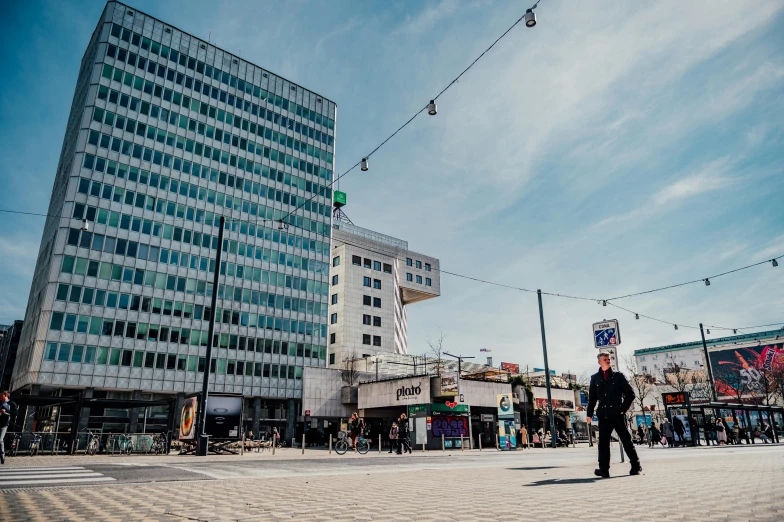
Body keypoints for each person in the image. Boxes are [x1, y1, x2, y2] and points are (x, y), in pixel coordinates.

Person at [586, 352, 641, 478]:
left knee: (626, 440)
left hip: (617, 414)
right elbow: (592, 398)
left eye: (609, 359)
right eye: (605, 359)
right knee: (603, 443)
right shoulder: (595, 378)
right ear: (599, 362)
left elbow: (630, 394)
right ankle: (603, 469)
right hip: (603, 415)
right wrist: (589, 414)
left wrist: (622, 409)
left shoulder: (618, 377)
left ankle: (636, 465)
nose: (608, 361)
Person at [0, 391, 17, 465]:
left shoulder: (11, 403)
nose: (0, 397)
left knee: (0, 440)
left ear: (5, 396)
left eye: (1, 396)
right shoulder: (0, 403)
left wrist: (6, 410)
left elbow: (15, 413)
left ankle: (2, 455)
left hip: (4, 424)